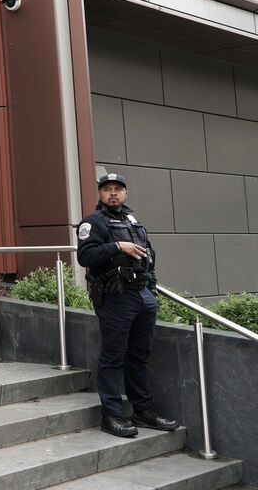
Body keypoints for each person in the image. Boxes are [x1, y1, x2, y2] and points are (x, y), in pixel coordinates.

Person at [77, 173, 180, 438]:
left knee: (139, 356)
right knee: (113, 356)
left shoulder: (133, 221)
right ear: (100, 194)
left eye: (118, 189)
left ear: (125, 194)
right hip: (116, 297)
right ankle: (111, 416)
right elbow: (85, 256)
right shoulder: (93, 222)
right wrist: (117, 246)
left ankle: (143, 412)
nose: (113, 193)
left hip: (142, 295)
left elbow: (149, 258)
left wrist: (151, 290)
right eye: (107, 189)